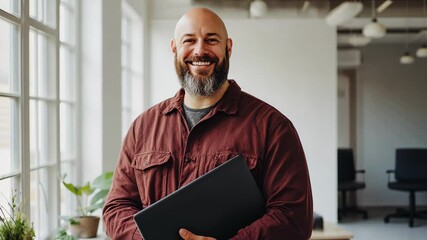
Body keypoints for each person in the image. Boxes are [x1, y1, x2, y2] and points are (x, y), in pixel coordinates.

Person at [103, 7, 313, 240]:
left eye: (211, 40)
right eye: (189, 40)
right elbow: (116, 208)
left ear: (228, 48)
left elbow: (293, 218)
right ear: (175, 48)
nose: (200, 50)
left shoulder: (272, 127)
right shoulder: (143, 127)